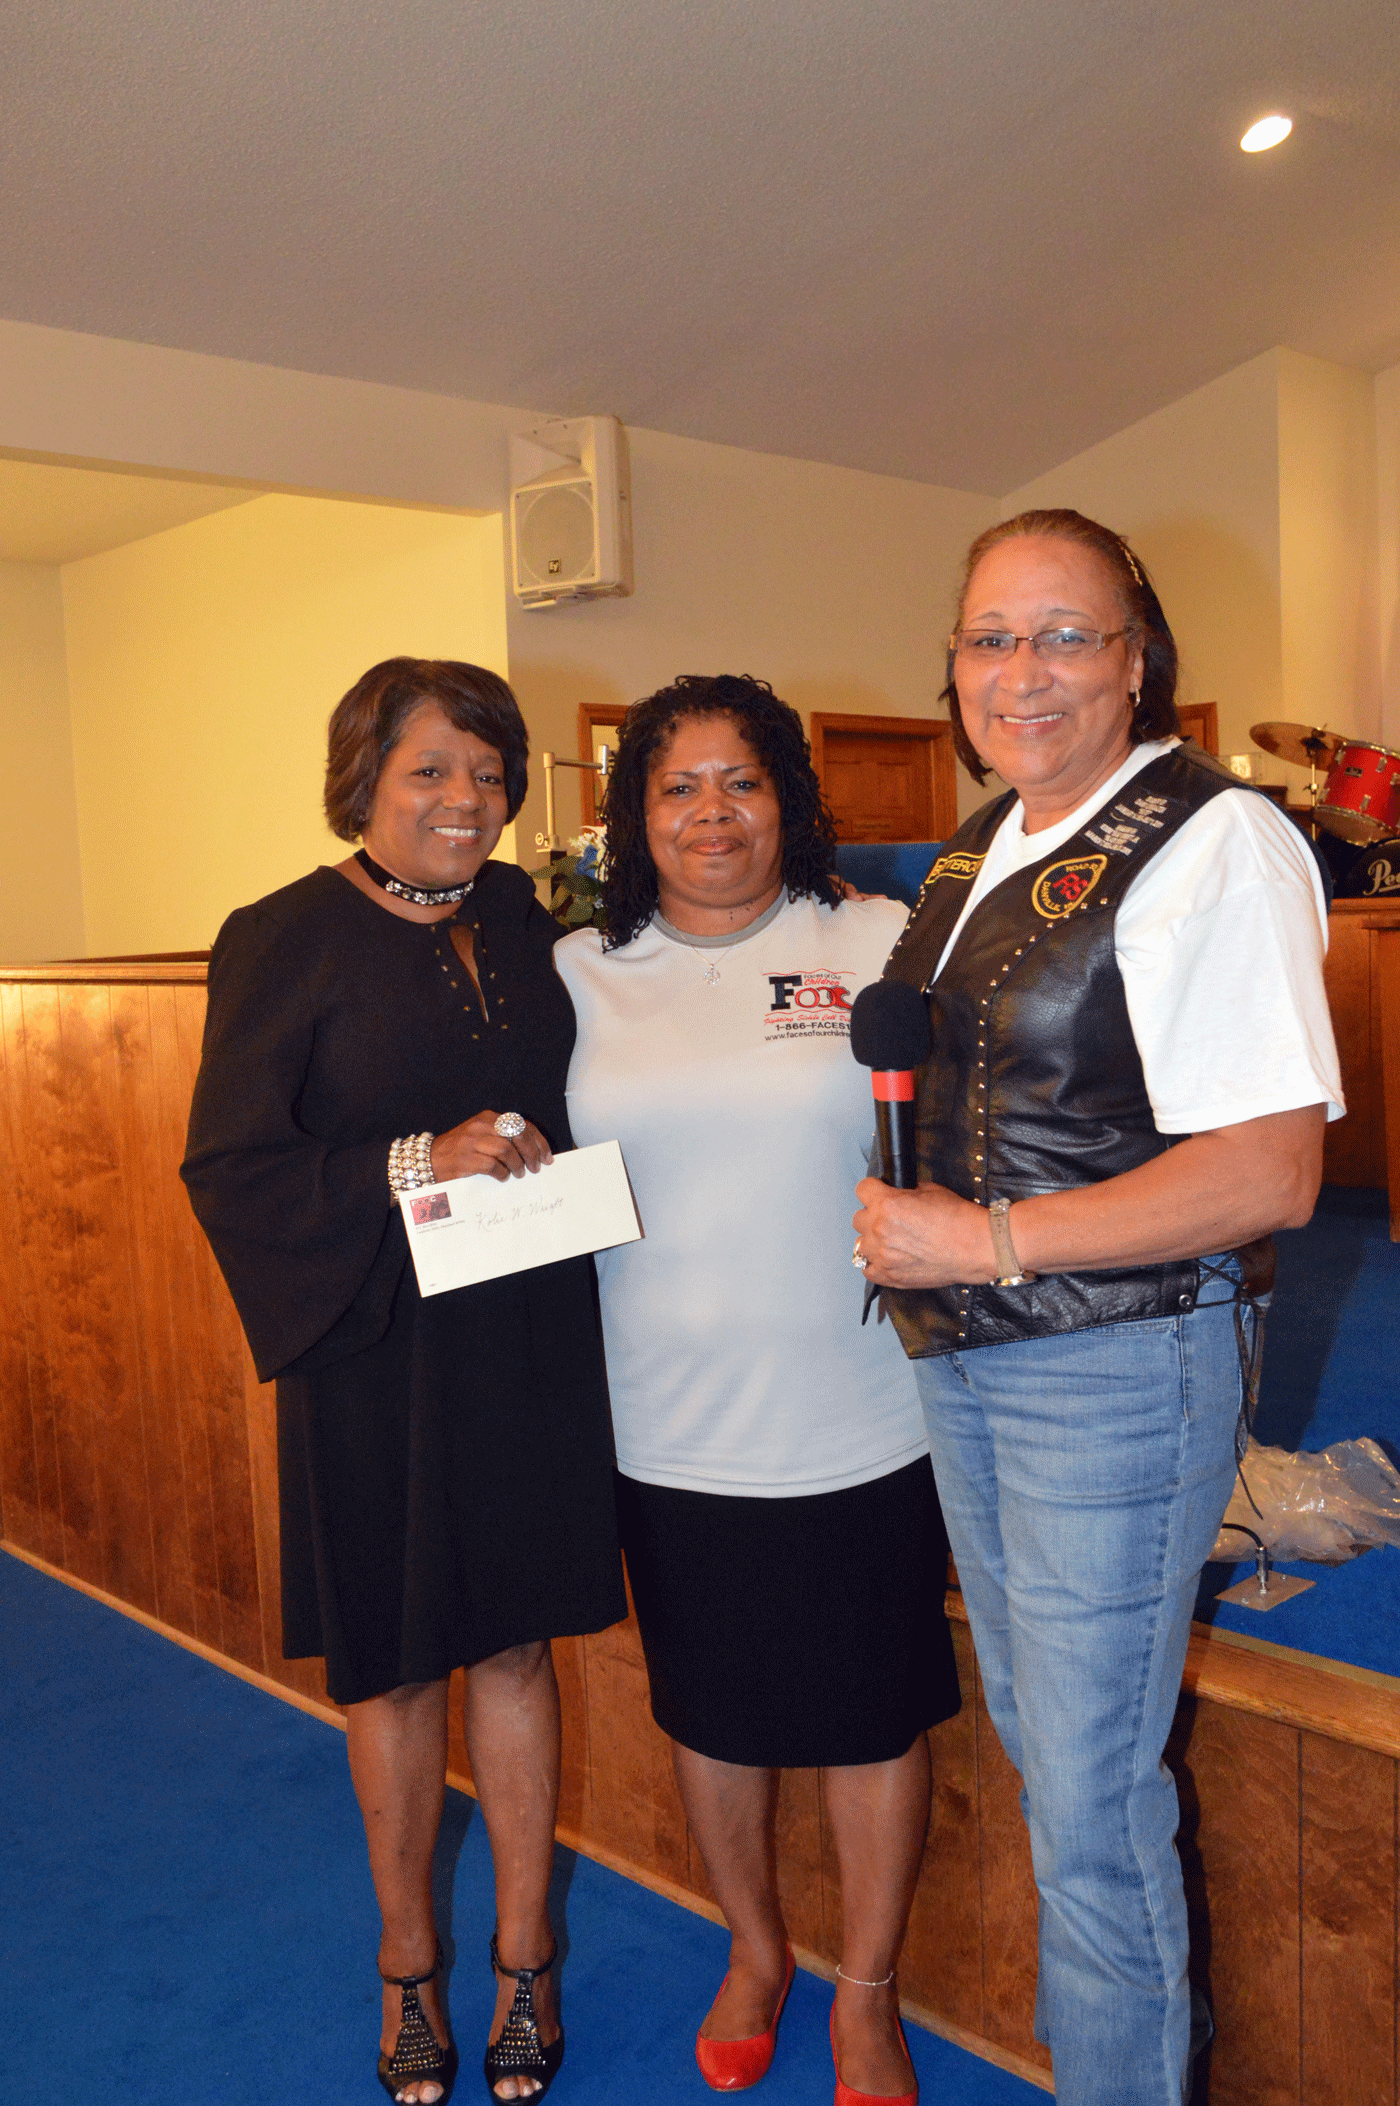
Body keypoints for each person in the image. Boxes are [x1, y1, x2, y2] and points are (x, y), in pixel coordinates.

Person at [852, 510, 1344, 2106]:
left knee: (1087, 1798)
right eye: (992, 636)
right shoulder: (975, 847)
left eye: (1068, 634)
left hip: (1118, 1366)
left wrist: (985, 1239)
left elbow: (1270, 1171)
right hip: (971, 1356)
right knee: (1050, 1749)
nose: (1025, 670)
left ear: (1138, 662)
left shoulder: (1216, 840)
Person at [181, 658, 626, 2106]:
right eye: (431, 768)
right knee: (393, 1660)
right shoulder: (279, 937)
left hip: (522, 1330)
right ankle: (409, 1963)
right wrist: (413, 1159)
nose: (466, 798)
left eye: (489, 773)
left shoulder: (524, 920)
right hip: (370, 1341)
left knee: (515, 1649)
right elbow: (231, 1163)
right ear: (362, 777)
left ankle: (525, 1954)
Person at [555, 674, 960, 2106]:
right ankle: (755, 1947)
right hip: (665, 1419)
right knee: (710, 1715)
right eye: (678, 786)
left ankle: (868, 1989)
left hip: (864, 1410)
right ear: (635, 814)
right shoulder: (580, 971)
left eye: (743, 779)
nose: (713, 811)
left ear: (788, 796)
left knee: (873, 1716)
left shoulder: (875, 939)